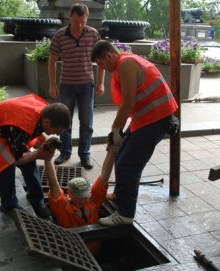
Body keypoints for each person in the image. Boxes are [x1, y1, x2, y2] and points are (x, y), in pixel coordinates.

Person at [90, 40, 180, 226]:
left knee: (128, 164)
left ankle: (126, 214)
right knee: (121, 155)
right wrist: (117, 131)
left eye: (101, 64)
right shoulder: (127, 62)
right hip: (148, 116)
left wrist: (116, 129)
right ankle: (120, 196)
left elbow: (128, 102)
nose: (103, 68)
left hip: (156, 118)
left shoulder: (126, 64)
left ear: (108, 56)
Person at [0, 94, 71, 219]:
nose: (57, 134)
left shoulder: (47, 112)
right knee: (6, 166)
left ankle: (36, 199)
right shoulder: (21, 128)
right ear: (47, 122)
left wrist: (45, 145)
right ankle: (9, 205)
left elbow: (36, 131)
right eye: (56, 131)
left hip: (3, 129)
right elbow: (17, 160)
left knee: (30, 163)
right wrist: (38, 154)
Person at [48, 3, 105, 170]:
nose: (78, 25)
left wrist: (101, 82)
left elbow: (101, 60)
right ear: (69, 18)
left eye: (82, 21)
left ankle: (84, 154)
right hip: (66, 85)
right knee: (65, 121)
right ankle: (65, 152)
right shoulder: (59, 35)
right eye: (75, 21)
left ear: (86, 18)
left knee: (87, 122)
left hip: (87, 85)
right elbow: (52, 61)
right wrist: (52, 84)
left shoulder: (93, 34)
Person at [44, 141, 117, 253]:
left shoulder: (92, 200)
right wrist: (48, 158)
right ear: (70, 194)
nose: (83, 200)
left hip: (95, 250)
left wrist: (111, 151)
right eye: (79, 197)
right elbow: (53, 182)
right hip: (74, 254)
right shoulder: (61, 207)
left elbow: (104, 177)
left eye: (85, 196)